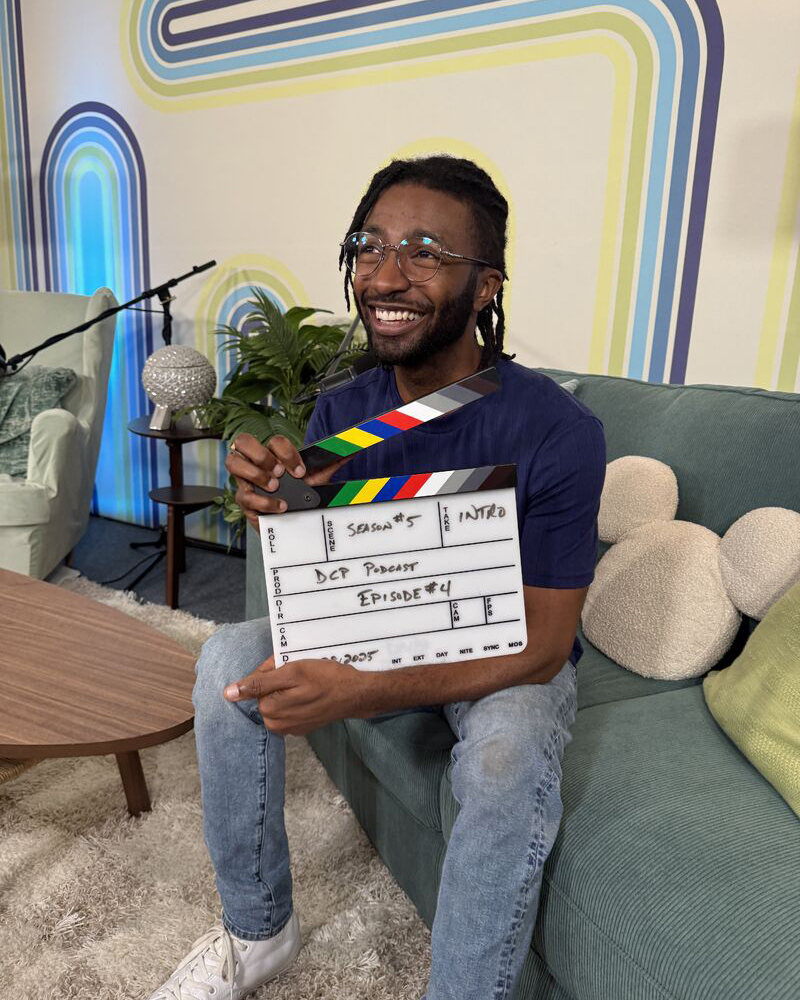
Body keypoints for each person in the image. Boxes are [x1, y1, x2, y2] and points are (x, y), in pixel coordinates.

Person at [147, 155, 606, 1000]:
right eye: (370, 246)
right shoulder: (344, 412)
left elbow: (545, 646)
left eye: (425, 253)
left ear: (486, 286)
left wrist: (359, 690)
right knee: (225, 665)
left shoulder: (559, 430)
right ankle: (258, 932)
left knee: (506, 760)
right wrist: (275, 506)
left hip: (501, 653)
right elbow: (325, 569)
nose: (385, 276)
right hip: (378, 623)